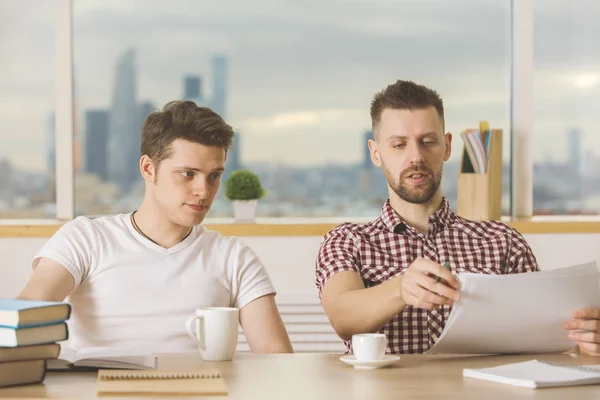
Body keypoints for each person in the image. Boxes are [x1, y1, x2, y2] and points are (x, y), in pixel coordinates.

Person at [315, 80, 600, 356]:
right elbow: (343, 319)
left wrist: (582, 343)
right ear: (376, 153)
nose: (416, 156)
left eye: (428, 141)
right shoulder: (347, 241)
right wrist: (401, 289)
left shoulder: (503, 242)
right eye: (399, 145)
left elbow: (539, 340)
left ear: (447, 147)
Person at [19, 100, 293, 353]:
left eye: (214, 176)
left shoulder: (234, 258)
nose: (204, 191)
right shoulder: (85, 238)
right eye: (188, 174)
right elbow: (25, 317)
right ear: (148, 168)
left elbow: (277, 361)